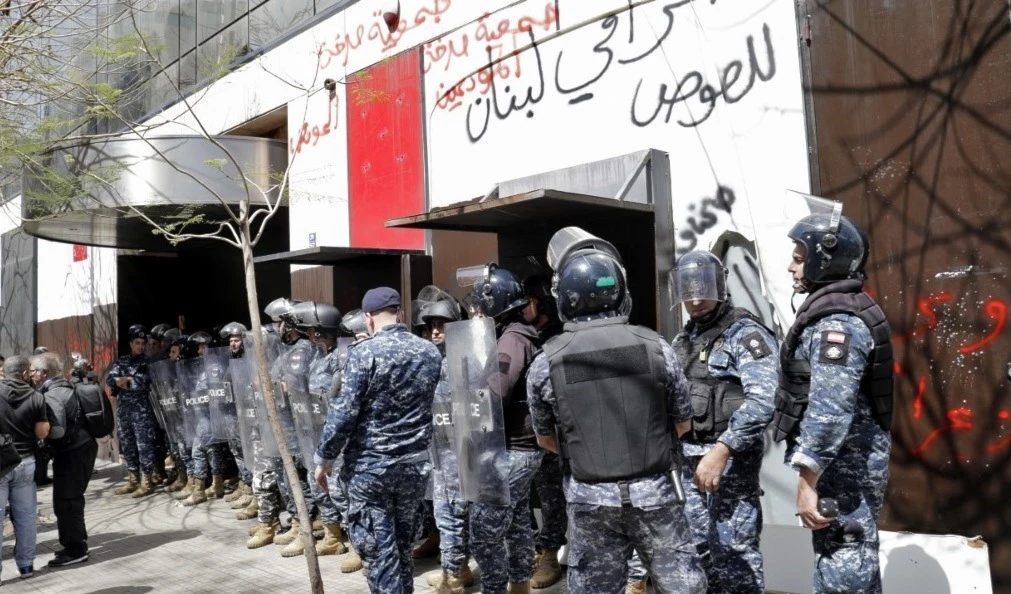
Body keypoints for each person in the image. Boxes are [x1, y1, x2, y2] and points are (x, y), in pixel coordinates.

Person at [526, 227, 707, 594]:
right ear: (620, 291)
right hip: (656, 494)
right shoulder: (656, 346)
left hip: (589, 499)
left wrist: (588, 452)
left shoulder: (546, 361)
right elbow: (684, 422)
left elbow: (545, 438)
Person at [773, 211, 893, 593]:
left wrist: (807, 479)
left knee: (843, 567)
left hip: (843, 471)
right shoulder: (838, 312)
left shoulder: (835, 324)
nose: (790, 265)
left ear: (826, 258)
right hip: (843, 468)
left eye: (798, 255)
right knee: (852, 564)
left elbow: (830, 410)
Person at [314, 287, 442, 594]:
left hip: (372, 469)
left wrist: (324, 459)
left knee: (381, 555)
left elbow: (344, 414)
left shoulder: (364, 354)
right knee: (402, 549)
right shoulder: (429, 352)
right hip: (413, 467)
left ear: (369, 319)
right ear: (398, 313)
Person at [666, 250, 779, 593]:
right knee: (697, 552)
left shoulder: (744, 335)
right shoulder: (683, 340)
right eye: (688, 290)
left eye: (704, 288)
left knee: (734, 553)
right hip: (688, 465)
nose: (696, 298)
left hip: (729, 464)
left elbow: (764, 400)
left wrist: (723, 449)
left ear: (720, 286)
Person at [462, 264, 545, 594]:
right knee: (517, 523)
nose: (477, 312)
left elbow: (494, 393)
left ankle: (495, 588)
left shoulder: (510, 341)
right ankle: (519, 586)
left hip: (511, 450)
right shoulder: (516, 336)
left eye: (480, 306)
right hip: (522, 449)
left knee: (484, 530)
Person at [420, 296, 478, 593]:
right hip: (439, 446)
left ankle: (454, 574)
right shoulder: (433, 359)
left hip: (459, 447)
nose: (435, 332)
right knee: (447, 511)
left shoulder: (463, 358)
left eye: (441, 325)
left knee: (452, 510)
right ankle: (458, 567)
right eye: (431, 326)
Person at [32, 352, 98, 569]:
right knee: (71, 499)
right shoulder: (64, 386)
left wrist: (41, 438)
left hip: (73, 452)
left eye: (34, 371)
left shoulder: (53, 394)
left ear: (44, 373)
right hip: (81, 448)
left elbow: (57, 430)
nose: (31, 375)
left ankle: (76, 549)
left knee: (67, 501)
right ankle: (75, 543)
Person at [523, 274, 567, 590]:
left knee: (551, 495)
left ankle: (550, 553)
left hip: (556, 433)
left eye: (528, 301)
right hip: (530, 434)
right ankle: (538, 549)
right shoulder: (528, 334)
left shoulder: (557, 337)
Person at [0, 356, 50, 580]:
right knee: (26, 517)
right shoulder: (36, 397)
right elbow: (41, 432)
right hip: (25, 461)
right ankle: (26, 566)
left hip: (1, 462)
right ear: (23, 374)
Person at [106, 324, 159, 497]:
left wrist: (125, 381)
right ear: (131, 344)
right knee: (127, 444)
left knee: (144, 445)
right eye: (137, 343)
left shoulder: (148, 362)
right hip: (124, 411)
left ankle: (147, 481)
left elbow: (141, 383)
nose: (141, 346)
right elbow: (110, 380)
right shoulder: (122, 360)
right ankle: (133, 480)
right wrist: (125, 380)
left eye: (143, 343)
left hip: (141, 411)